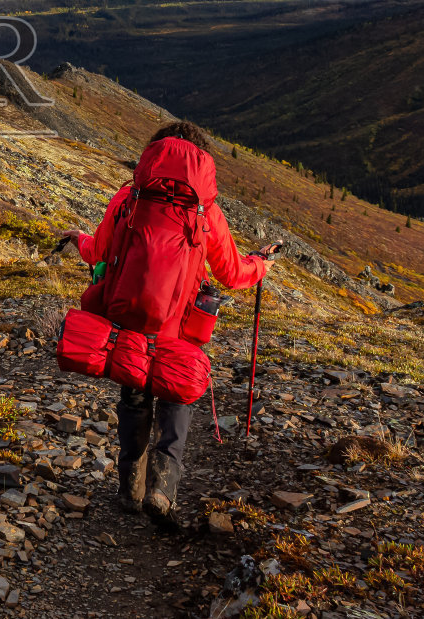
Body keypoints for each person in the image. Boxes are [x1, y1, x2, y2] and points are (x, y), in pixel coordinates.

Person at [63, 120, 279, 528]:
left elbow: (100, 253)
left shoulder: (129, 198)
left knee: (134, 389)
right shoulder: (206, 212)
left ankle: (130, 486)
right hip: (178, 326)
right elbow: (232, 274)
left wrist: (79, 239)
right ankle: (163, 487)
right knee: (177, 393)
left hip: (130, 318)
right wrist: (262, 264)